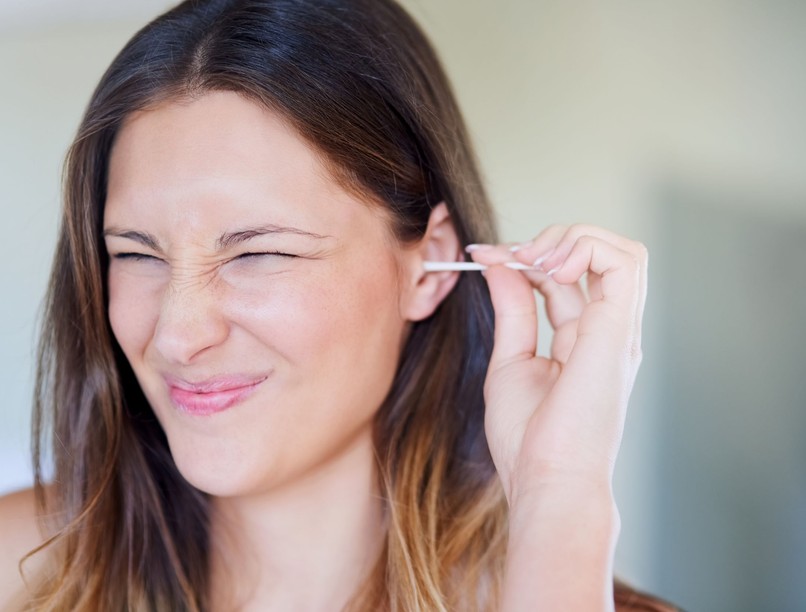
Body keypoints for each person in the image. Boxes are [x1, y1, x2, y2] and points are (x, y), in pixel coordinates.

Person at [0, 0, 676, 609]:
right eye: (138, 254)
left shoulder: (563, 589)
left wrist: (559, 501)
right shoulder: (19, 566)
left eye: (259, 253)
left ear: (427, 265)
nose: (179, 334)